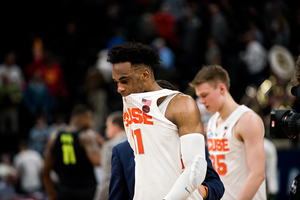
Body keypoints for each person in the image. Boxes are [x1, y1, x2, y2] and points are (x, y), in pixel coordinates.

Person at [107, 41, 207, 200]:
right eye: (117, 82)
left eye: (124, 80)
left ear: (145, 74)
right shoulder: (129, 103)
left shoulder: (181, 104)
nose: (119, 88)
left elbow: (197, 170)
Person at [189, 64, 266, 200]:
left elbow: (258, 174)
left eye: (204, 95)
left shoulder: (247, 120)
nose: (201, 102)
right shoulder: (213, 121)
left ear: (221, 88)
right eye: (199, 97)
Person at [42, 104, 101, 200]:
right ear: (81, 117)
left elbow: (45, 171)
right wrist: (102, 144)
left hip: (65, 191)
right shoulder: (86, 136)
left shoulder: (54, 138)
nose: (92, 123)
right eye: (90, 118)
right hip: (86, 191)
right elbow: (98, 162)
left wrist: (51, 193)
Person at [94, 111, 127, 200]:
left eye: (108, 127)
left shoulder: (109, 146)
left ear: (115, 127)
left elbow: (107, 179)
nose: (106, 130)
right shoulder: (137, 143)